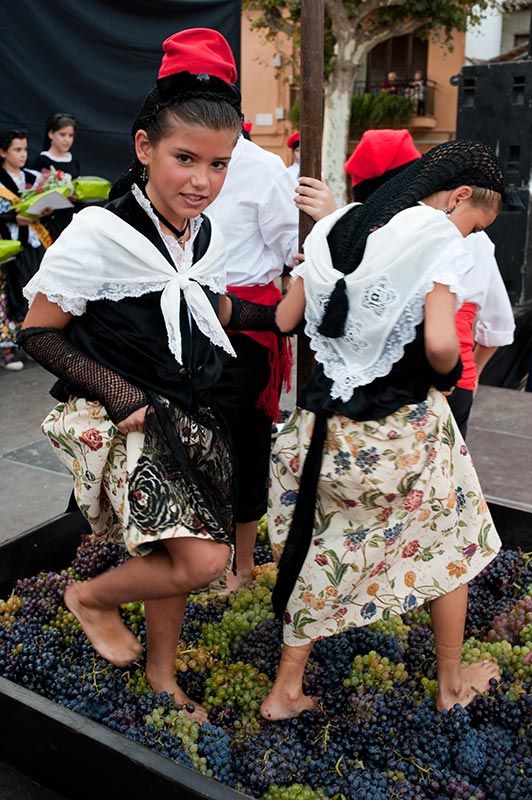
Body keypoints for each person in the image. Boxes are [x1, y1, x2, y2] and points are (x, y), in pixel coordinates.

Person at [18, 27, 281, 721]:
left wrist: (285, 314)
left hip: (194, 414)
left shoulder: (203, 233)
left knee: (175, 553)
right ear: (144, 148)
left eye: (220, 165)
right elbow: (37, 333)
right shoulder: (98, 235)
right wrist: (120, 392)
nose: (202, 181)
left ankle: (162, 678)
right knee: (202, 560)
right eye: (185, 159)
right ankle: (89, 598)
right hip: (133, 421)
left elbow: (205, 302)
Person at [260, 139, 505, 722]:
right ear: (458, 197)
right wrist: (444, 376)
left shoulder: (337, 227)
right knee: (455, 541)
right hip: (399, 439)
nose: (468, 237)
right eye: (472, 225)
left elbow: (285, 319)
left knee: (325, 550)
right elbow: (444, 342)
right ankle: (449, 682)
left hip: (320, 437)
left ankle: (285, 690)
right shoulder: (436, 239)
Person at [344, 129, 515, 438]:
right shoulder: (456, 238)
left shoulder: (360, 230)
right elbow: (496, 326)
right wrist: (464, 373)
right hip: (443, 376)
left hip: (368, 378)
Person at [206, 110, 299, 594]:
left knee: (244, 448)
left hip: (246, 329)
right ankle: (196, 557)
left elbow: (291, 247)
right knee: (190, 448)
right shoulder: (159, 162)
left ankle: (241, 566)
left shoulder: (262, 169)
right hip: (180, 324)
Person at [0, 128, 49, 370]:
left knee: (34, 292)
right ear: (3, 152)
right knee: (9, 297)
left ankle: (32, 345)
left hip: (33, 241)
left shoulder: (32, 176)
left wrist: (47, 208)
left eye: (25, 150)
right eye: (16, 150)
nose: (22, 155)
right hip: (9, 247)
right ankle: (7, 350)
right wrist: (10, 218)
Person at [31, 112, 80, 239]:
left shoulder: (73, 161)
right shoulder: (42, 161)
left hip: (71, 219)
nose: (67, 140)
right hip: (50, 221)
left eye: (71, 135)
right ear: (51, 134)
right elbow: (34, 193)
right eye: (62, 135)